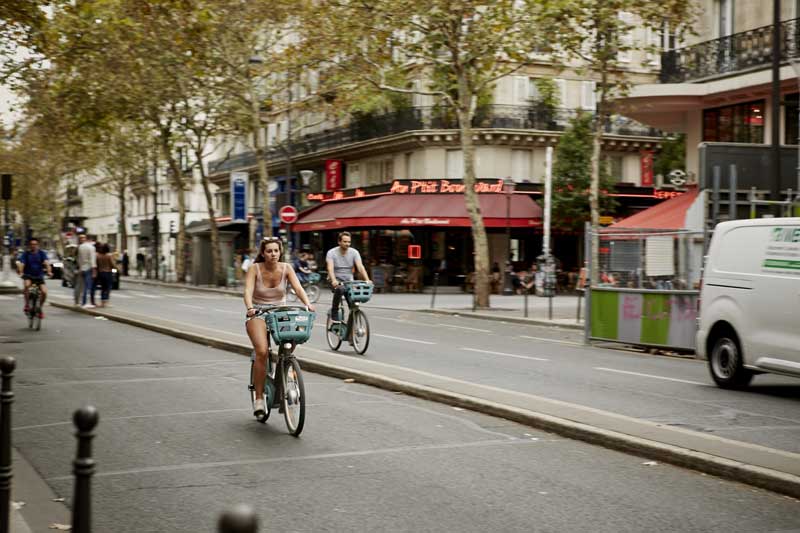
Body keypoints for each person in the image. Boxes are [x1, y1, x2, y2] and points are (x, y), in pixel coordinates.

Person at [244, 236, 315, 421]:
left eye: (276, 250)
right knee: (261, 351)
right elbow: (247, 291)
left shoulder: (286, 268)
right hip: (258, 313)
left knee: (289, 347)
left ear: (280, 252)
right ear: (263, 253)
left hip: (280, 312)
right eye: (269, 251)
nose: (273, 254)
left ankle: (283, 380)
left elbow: (298, 288)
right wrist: (250, 308)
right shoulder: (254, 269)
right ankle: (259, 399)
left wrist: (307, 303)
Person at [326, 231, 371, 323]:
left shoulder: (354, 252)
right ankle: (334, 312)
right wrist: (334, 280)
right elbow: (330, 268)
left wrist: (367, 280)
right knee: (340, 289)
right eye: (345, 242)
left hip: (349, 281)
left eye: (349, 242)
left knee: (353, 303)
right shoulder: (331, 253)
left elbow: (360, 267)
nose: (347, 244)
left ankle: (351, 330)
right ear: (339, 242)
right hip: (335, 280)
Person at [16, 238, 51, 317]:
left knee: (44, 292)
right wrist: (21, 272)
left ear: (38, 245)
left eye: (35, 244)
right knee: (27, 285)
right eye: (32, 244)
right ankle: (27, 304)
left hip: (39, 276)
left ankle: (40, 308)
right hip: (28, 275)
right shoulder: (26, 254)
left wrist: (49, 272)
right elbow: (22, 264)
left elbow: (46, 263)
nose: (33, 246)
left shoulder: (42, 253)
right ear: (29, 245)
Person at [77, 234, 97, 308]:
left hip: (83, 268)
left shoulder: (81, 247)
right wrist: (94, 270)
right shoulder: (91, 248)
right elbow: (92, 259)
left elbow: (79, 258)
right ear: (91, 239)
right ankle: (85, 302)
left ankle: (81, 301)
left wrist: (80, 267)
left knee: (83, 285)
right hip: (89, 268)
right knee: (88, 286)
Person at [94, 243, 115, 307]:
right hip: (108, 272)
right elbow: (112, 264)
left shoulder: (98, 256)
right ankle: (106, 302)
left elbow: (96, 264)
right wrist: (116, 268)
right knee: (108, 287)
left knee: (103, 288)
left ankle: (102, 302)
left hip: (100, 273)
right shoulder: (109, 256)